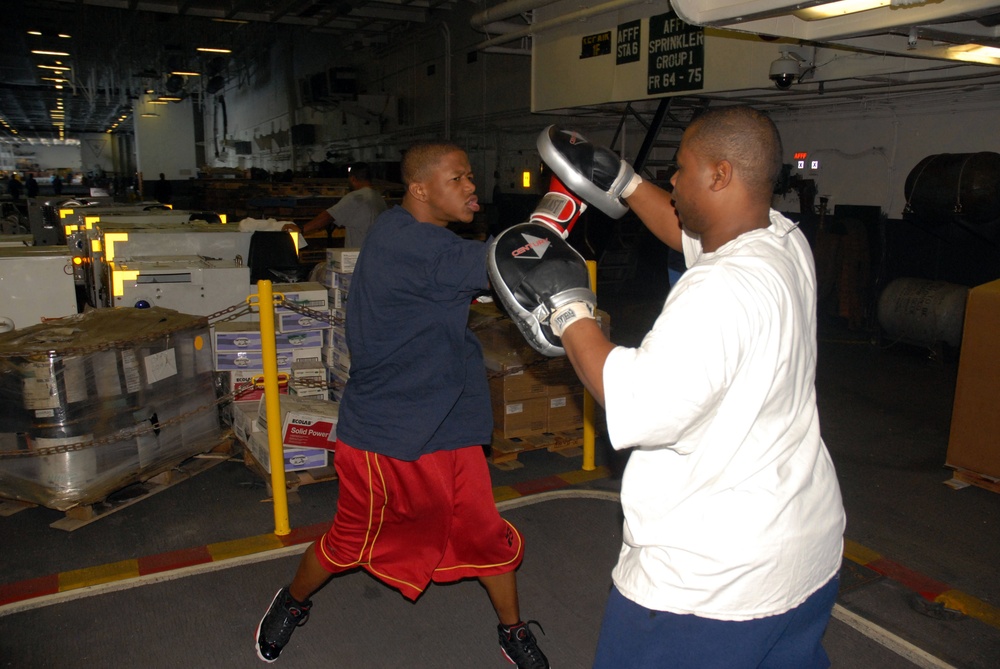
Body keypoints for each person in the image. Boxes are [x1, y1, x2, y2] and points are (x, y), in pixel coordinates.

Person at [512, 109, 846, 667]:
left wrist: (564, 305)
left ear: (719, 176)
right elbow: (688, 232)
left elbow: (634, 399)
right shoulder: (782, 239)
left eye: (681, 169)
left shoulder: (718, 291)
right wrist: (624, 183)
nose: (672, 180)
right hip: (804, 548)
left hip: (711, 582)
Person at [255, 142, 549, 668]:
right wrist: (559, 211)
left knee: (482, 529)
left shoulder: (399, 226)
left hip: (449, 413)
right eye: (457, 179)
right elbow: (502, 262)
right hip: (389, 428)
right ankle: (292, 602)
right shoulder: (415, 246)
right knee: (351, 541)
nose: (472, 188)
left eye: (470, 178)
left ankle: (513, 630)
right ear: (420, 189)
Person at [291, 162, 387, 248]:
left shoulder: (355, 197)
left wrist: (301, 229)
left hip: (358, 255)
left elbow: (329, 216)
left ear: (353, 178)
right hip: (376, 253)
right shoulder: (379, 198)